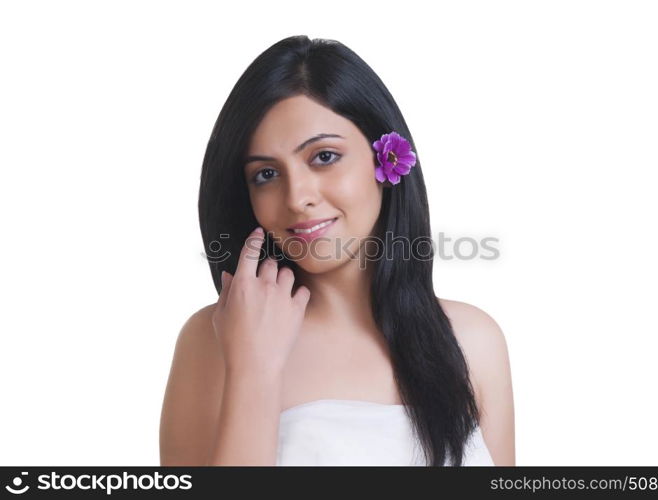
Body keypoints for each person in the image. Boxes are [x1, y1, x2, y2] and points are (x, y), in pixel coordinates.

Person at [159, 35, 515, 466]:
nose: (297, 197)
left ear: (386, 160)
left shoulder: (474, 341)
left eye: (324, 156)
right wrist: (253, 369)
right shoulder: (213, 339)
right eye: (266, 173)